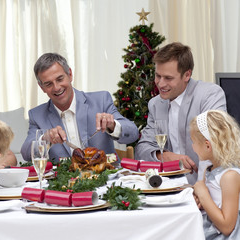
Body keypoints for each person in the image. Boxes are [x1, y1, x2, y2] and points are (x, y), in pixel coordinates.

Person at [134, 42, 227, 184]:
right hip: (169, 187)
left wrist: (201, 192)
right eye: (158, 76)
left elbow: (215, 147)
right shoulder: (155, 104)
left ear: (187, 75)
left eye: (168, 78)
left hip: (207, 188)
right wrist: (165, 156)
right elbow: (142, 149)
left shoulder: (210, 95)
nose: (160, 84)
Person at [21, 53, 139, 162]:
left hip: (107, 179)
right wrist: (45, 138)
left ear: (70, 74)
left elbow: (133, 134)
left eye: (60, 79)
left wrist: (113, 125)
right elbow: (26, 154)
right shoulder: (36, 115)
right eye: (48, 84)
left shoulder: (101, 100)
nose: (56, 87)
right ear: (42, 87)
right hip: (64, 183)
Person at [191, 110, 240, 239]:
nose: (192, 147)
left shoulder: (230, 176)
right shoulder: (211, 169)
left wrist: (203, 194)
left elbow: (227, 227)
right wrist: (199, 198)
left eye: (194, 142)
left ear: (208, 146)